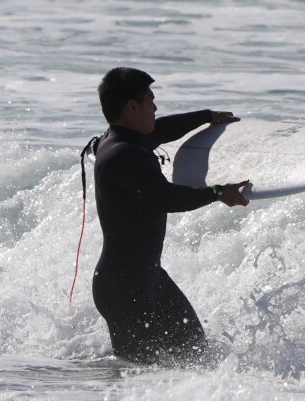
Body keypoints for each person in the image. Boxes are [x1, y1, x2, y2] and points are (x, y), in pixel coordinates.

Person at [91, 67, 250, 365]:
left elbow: (162, 129)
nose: (155, 106)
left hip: (148, 278)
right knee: (136, 374)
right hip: (124, 289)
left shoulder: (122, 141)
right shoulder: (124, 154)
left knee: (196, 354)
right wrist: (217, 193)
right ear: (132, 107)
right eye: (150, 100)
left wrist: (206, 116)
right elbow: (166, 197)